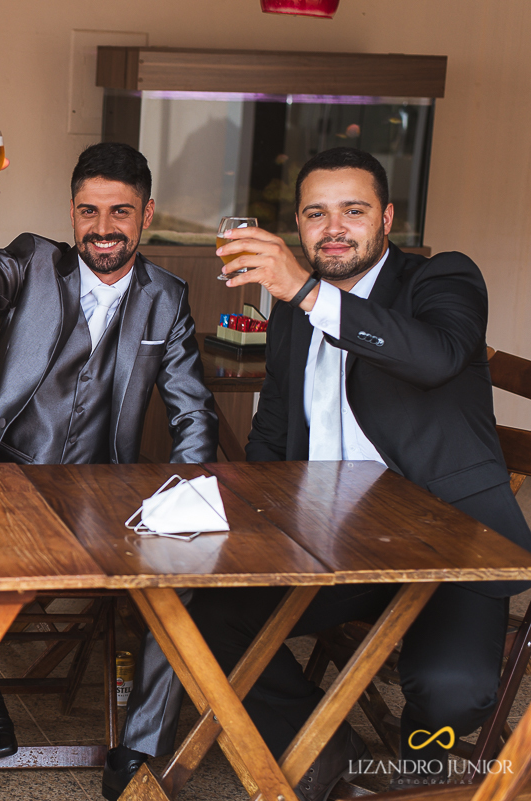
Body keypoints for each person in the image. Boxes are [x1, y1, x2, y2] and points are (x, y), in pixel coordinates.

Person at [195, 146, 531, 799]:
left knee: (453, 691)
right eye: (315, 214)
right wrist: (244, 523)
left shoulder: (441, 279)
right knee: (204, 616)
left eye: (353, 210)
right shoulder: (292, 311)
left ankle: (418, 772)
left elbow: (436, 358)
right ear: (298, 224)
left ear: (387, 218)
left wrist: (307, 292)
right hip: (333, 547)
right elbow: (273, 432)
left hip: (452, 547)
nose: (334, 228)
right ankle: (329, 754)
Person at [0, 141, 217, 782]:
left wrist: (191, 496)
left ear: (147, 214)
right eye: (89, 211)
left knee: (185, 573)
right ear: (71, 212)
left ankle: (140, 744)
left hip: (103, 494)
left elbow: (192, 411)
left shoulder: (166, 296)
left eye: (121, 211)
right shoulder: (36, 261)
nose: (103, 227)